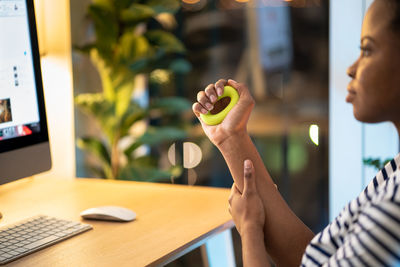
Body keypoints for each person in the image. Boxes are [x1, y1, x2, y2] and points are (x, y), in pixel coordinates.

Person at [192, 0, 400, 266]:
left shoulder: (396, 205)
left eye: (368, 49)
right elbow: (309, 257)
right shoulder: (395, 173)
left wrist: (250, 230)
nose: (351, 68)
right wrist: (230, 136)